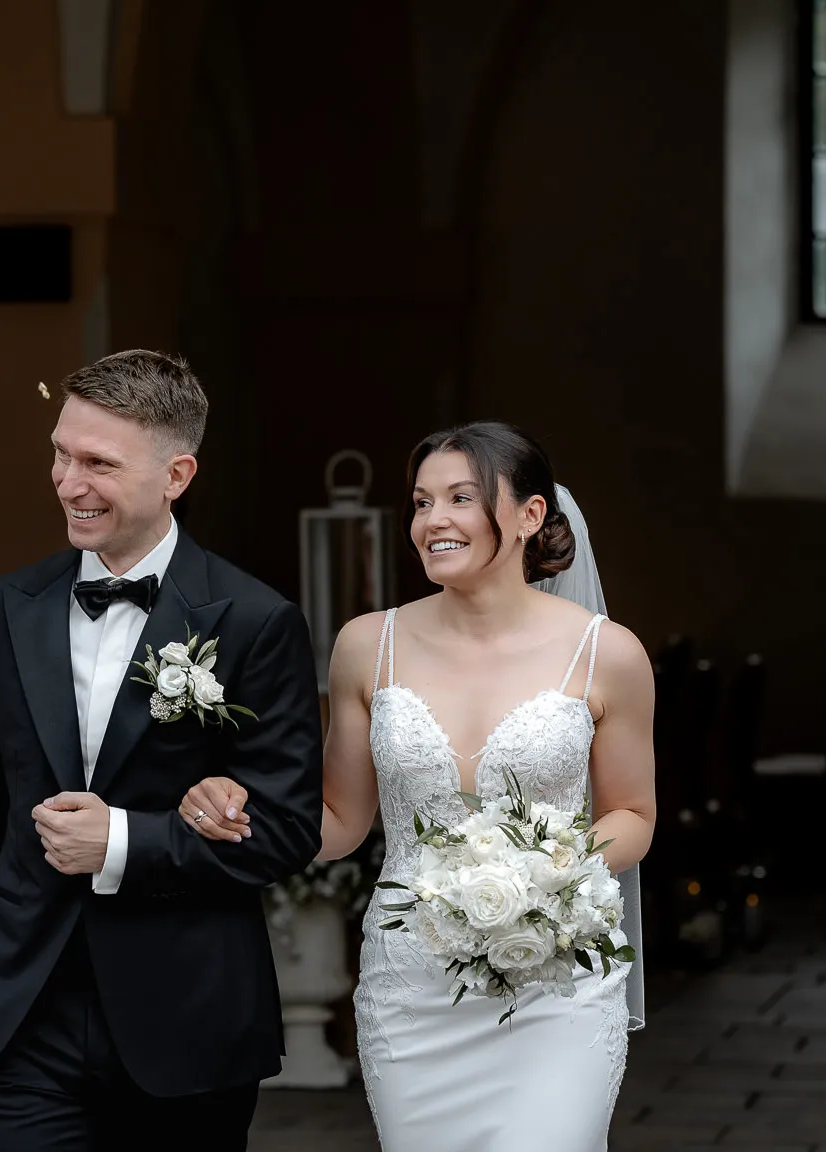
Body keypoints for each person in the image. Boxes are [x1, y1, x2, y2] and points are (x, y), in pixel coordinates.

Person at [0, 351, 323, 1150]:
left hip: (187, 1025)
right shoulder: (5, 608)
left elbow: (286, 829)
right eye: (60, 453)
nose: (66, 482)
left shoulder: (255, 620)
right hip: (21, 1020)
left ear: (176, 474)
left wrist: (123, 840)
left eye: (98, 464)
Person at [180, 422, 656, 1149]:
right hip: (413, 985)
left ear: (530, 515)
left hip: (554, 987)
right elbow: (339, 819)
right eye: (422, 501)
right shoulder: (368, 645)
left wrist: (543, 874)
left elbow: (633, 813)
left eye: (461, 498)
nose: (433, 520)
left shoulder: (607, 653)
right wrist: (242, 812)